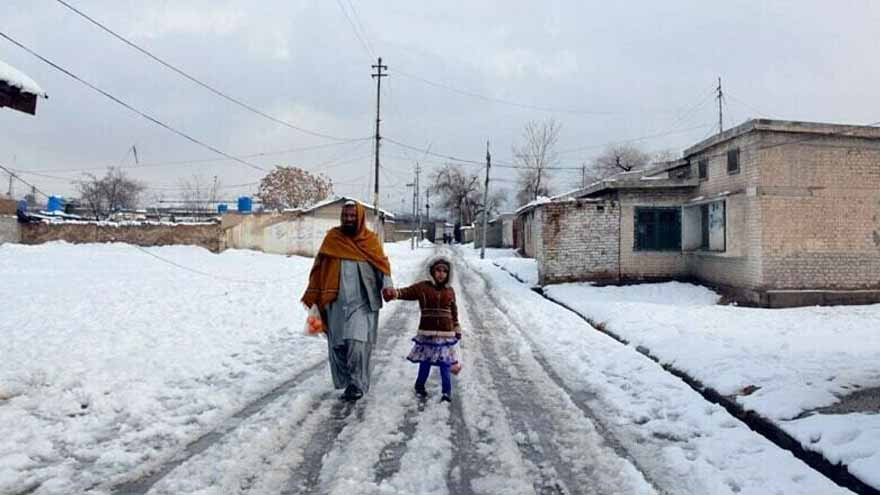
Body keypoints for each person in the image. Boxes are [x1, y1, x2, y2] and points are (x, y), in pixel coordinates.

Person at [301, 200, 395, 401]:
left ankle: (357, 384)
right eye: (346, 216)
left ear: (360, 217)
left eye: (353, 216)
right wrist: (315, 294)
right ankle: (347, 382)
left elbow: (382, 266)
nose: (349, 219)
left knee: (357, 343)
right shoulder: (332, 239)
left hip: (361, 303)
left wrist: (387, 285)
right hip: (334, 302)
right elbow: (319, 267)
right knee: (338, 345)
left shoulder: (369, 241)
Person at [386, 256, 461, 403]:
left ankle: (447, 392)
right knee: (425, 362)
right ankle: (419, 385)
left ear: (448, 274)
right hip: (427, 333)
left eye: (445, 271)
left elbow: (454, 311)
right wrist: (394, 293)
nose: (441, 274)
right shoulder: (423, 287)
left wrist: (457, 326)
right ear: (432, 272)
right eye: (438, 270)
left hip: (445, 335)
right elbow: (407, 292)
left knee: (445, 364)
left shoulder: (450, 291)